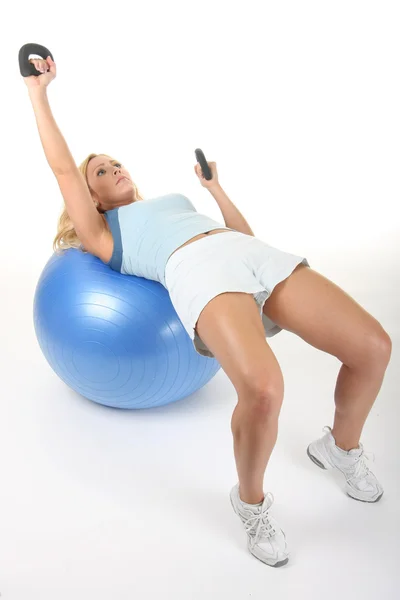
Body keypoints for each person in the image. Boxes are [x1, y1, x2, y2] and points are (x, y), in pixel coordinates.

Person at [24, 55, 392, 568]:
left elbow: (241, 235)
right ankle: (251, 504)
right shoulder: (106, 234)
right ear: (93, 199)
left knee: (373, 347)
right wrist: (38, 92)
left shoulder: (169, 203)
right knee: (264, 390)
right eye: (102, 172)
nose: (115, 169)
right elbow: (63, 166)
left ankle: (341, 449)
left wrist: (214, 188)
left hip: (246, 253)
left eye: (116, 162)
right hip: (198, 272)